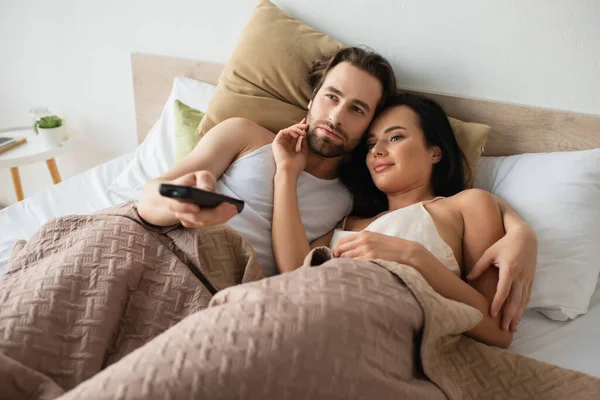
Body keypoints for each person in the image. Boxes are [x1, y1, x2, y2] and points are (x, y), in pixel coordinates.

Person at [138, 47, 536, 333]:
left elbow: (496, 328)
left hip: (299, 315)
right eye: (331, 97)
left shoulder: (348, 201)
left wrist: (519, 230)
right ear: (312, 99)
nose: (336, 116)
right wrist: (183, 201)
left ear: (435, 152)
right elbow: (152, 197)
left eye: (359, 111)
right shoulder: (246, 137)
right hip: (164, 247)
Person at [271, 93, 537, 344]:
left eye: (395, 138)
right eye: (371, 144)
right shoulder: (349, 222)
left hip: (376, 339)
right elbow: (294, 270)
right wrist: (286, 170)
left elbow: (497, 332)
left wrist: (414, 257)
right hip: (307, 319)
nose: (377, 150)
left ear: (435, 152)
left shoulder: (467, 205)